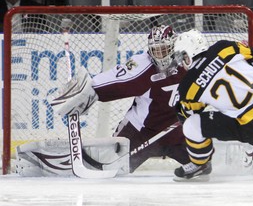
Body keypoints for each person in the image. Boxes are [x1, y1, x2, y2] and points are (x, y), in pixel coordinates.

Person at [16, 25, 191, 176]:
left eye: (163, 49)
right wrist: (88, 91)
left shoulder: (187, 62)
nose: (159, 55)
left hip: (176, 131)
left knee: (203, 167)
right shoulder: (143, 65)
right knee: (111, 171)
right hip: (140, 131)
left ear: (174, 46)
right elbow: (117, 79)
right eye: (155, 50)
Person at [172, 29, 253, 181]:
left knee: (191, 125)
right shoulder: (225, 47)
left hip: (250, 126)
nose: (181, 62)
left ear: (189, 53)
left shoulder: (188, 86)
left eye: (182, 56)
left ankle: (200, 164)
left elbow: (190, 115)